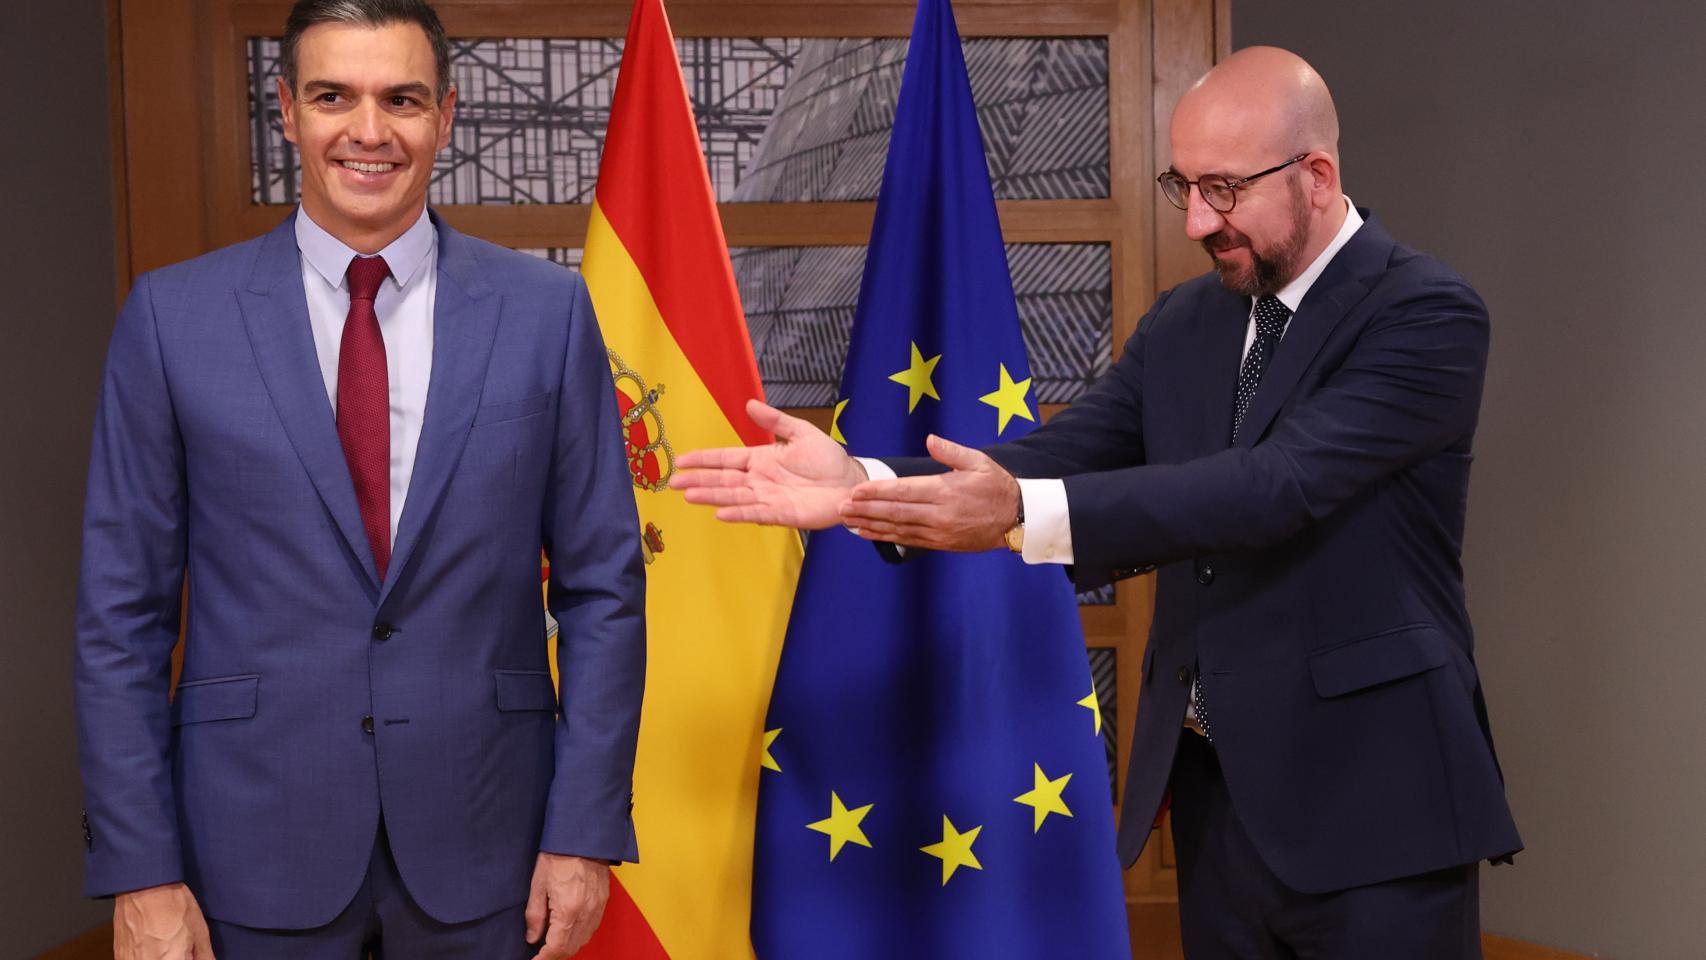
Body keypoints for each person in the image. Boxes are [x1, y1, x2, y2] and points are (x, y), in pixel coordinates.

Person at [674, 46, 1520, 959]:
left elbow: (1276, 486)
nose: (1198, 220)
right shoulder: (1185, 324)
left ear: (1316, 176)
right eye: (1182, 185)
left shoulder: (1425, 313)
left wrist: (1013, 516)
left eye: (1225, 190)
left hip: (1378, 801)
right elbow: (1049, 455)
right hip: (1215, 791)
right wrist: (865, 485)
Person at [74, 1, 645, 957]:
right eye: (334, 96)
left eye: (403, 99)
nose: (369, 131)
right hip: (244, 852)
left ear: (447, 116)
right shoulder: (173, 318)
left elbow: (603, 589)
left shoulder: (548, 314)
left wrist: (584, 833)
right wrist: (139, 866)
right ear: (288, 111)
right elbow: (119, 613)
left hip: (490, 847)